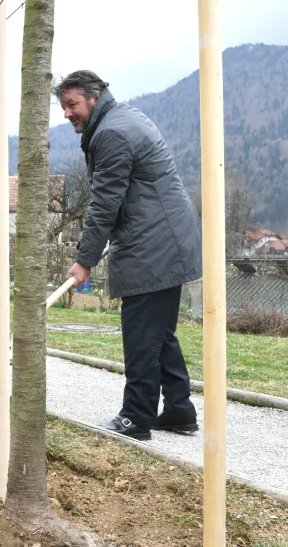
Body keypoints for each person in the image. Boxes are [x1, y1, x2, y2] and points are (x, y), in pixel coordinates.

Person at [56, 70, 202, 441]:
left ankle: (136, 417)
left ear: (94, 96)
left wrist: (84, 259)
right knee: (159, 332)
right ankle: (180, 410)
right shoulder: (123, 117)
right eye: (64, 107)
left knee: (140, 331)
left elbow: (104, 204)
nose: (68, 113)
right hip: (165, 236)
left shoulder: (112, 133)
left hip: (154, 243)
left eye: (72, 104)